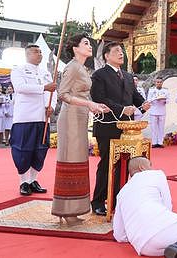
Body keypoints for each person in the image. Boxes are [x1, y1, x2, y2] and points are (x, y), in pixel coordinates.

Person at [51, 34, 110, 225]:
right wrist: (89, 104)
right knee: (70, 160)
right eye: (85, 43)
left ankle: (71, 210)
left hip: (80, 116)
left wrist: (95, 105)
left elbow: (82, 95)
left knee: (78, 160)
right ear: (75, 48)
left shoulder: (83, 68)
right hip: (70, 118)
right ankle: (66, 211)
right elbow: (63, 94)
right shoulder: (72, 67)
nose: (90, 46)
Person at [90, 41, 150, 217]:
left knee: (126, 163)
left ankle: (119, 199)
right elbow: (99, 97)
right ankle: (99, 201)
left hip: (128, 129)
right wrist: (122, 109)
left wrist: (143, 104)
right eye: (116, 51)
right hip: (108, 126)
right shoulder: (99, 75)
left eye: (121, 51)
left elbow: (135, 97)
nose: (121, 53)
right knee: (107, 164)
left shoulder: (128, 76)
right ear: (107, 56)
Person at [10, 44, 58, 196]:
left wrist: (51, 106)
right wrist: (44, 87)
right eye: (35, 52)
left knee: (40, 150)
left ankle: (33, 180)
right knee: (23, 149)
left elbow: (53, 92)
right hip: (25, 116)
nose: (39, 54)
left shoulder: (45, 73)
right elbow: (20, 87)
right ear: (27, 54)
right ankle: (23, 181)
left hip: (43, 117)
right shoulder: (18, 69)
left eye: (40, 52)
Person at [147, 78, 168, 148]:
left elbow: (168, 100)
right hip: (153, 110)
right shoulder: (151, 90)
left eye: (160, 82)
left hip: (162, 110)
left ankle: (160, 142)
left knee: (161, 127)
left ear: (162, 83)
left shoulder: (165, 90)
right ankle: (154, 142)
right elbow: (148, 100)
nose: (159, 83)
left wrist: (164, 100)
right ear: (155, 83)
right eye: (157, 82)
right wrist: (155, 98)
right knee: (154, 127)